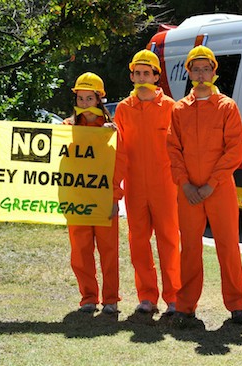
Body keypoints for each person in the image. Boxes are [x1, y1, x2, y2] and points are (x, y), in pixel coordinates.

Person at [167, 45, 242, 325]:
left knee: (228, 246)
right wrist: (185, 184)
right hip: (188, 190)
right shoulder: (179, 110)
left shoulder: (227, 107)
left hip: (219, 189)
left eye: (206, 68)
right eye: (196, 68)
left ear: (215, 71)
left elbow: (234, 150)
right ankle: (186, 304)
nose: (201, 74)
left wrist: (212, 183)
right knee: (190, 247)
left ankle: (237, 305)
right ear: (188, 72)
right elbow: (173, 149)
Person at [114, 50, 180, 315]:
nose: (142, 78)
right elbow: (115, 149)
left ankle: (174, 297)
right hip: (135, 186)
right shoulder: (123, 109)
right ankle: (147, 297)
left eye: (147, 73)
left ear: (156, 76)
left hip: (165, 185)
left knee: (169, 241)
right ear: (131, 76)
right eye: (137, 73)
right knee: (138, 242)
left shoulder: (171, 108)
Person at [63, 72, 126, 315]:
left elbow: (119, 165)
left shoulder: (111, 131)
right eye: (81, 98)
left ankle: (111, 300)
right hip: (76, 198)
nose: (85, 103)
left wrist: (114, 198)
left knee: (109, 251)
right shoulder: (66, 128)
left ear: (100, 100)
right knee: (81, 251)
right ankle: (88, 298)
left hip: (103, 199)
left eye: (90, 98)